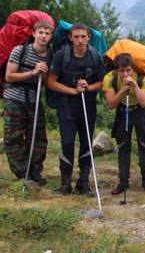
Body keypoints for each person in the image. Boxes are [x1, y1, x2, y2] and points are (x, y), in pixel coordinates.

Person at [47, 23, 105, 196]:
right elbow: (50, 82)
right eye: (76, 37)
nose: (80, 40)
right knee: (67, 143)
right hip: (67, 107)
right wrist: (73, 90)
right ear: (70, 38)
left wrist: (88, 87)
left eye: (83, 36)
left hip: (88, 105)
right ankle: (65, 183)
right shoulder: (61, 56)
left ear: (89, 37)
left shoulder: (95, 56)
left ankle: (83, 182)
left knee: (87, 142)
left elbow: (102, 83)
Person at [3, 20, 54, 184]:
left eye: (47, 33)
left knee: (38, 137)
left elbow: (47, 81)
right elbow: (9, 76)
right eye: (40, 32)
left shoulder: (49, 54)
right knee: (14, 137)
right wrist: (33, 71)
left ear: (51, 36)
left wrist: (44, 73)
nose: (43, 36)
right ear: (33, 34)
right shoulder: (20, 50)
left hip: (34, 98)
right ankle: (22, 174)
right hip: (14, 98)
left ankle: (35, 171)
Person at [103, 53, 145, 194]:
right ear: (116, 71)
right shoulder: (109, 78)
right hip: (122, 111)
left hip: (140, 112)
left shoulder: (143, 78)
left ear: (133, 68)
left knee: (144, 145)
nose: (125, 74)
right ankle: (123, 181)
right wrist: (122, 90)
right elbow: (111, 104)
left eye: (128, 70)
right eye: (121, 71)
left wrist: (134, 86)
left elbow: (144, 103)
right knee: (123, 147)